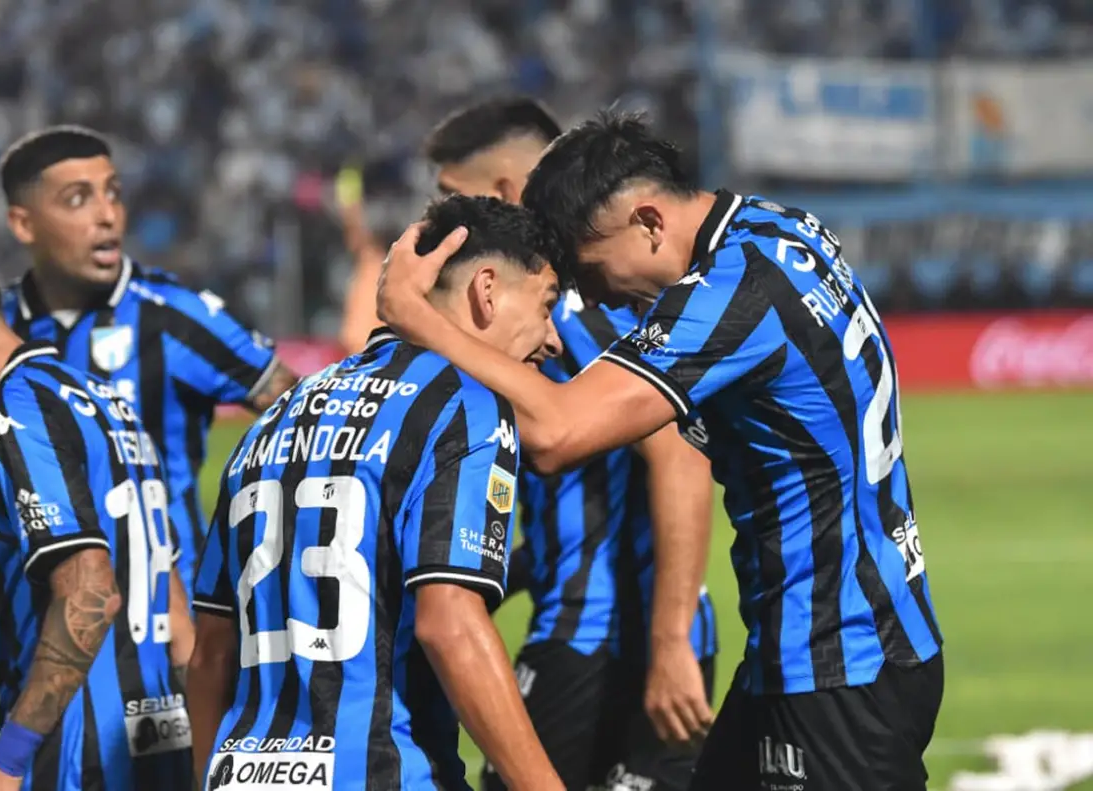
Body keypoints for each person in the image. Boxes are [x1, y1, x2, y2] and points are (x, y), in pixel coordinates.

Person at [377, 112, 945, 791]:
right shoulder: (777, 228)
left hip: (836, 659)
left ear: (647, 221)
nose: (595, 298)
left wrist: (417, 317)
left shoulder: (730, 294)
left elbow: (556, 434)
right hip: (842, 641)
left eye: (590, 271)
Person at [0, 125, 297, 733]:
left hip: (179, 644)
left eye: (113, 193)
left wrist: (253, 568)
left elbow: (299, 423)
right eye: (77, 199)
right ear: (22, 223)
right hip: (44, 653)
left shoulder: (176, 316)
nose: (108, 215)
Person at [187, 195, 566, 791]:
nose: (553, 340)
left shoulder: (273, 420)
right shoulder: (465, 405)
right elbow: (450, 625)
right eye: (546, 306)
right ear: (487, 290)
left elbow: (210, 651)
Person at [422, 97, 718, 791]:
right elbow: (591, 501)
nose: (435, 221)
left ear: (499, 193)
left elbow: (679, 453)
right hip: (619, 630)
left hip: (601, 639)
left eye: (447, 198)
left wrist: (670, 639)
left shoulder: (565, 311)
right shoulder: (573, 298)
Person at [0, 230, 194, 790]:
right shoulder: (104, 403)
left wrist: (7, 762)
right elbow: (174, 611)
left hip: (78, 758)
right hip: (163, 742)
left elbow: (89, 590)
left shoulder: (11, 416)